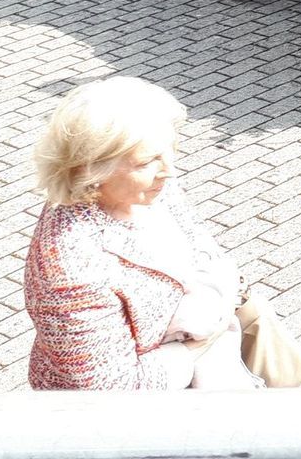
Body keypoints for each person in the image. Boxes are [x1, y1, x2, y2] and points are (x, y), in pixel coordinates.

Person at [25, 77, 257, 391]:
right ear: (91, 169)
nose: (169, 170)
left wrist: (228, 287)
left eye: (169, 151)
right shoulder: (71, 269)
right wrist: (208, 336)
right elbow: (116, 390)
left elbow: (194, 236)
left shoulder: (148, 187)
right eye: (148, 161)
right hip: (153, 418)